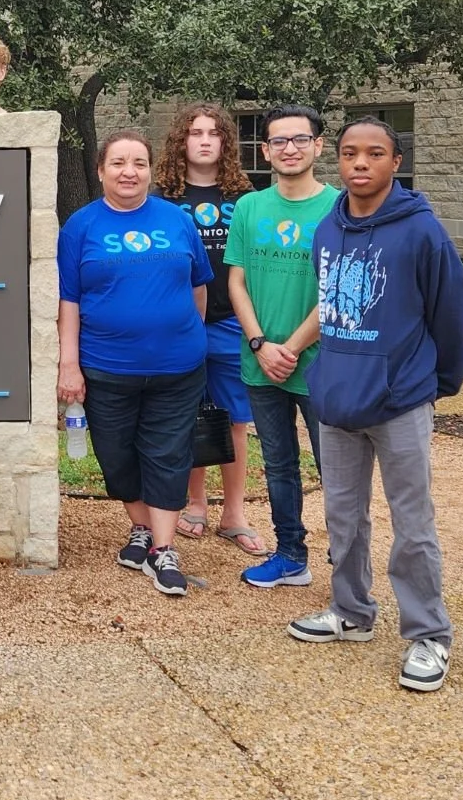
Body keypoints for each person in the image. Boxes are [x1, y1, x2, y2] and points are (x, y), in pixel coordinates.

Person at [287, 116, 463, 694]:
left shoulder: (422, 233)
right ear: (336, 162)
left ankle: (428, 634)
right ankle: (350, 612)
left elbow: (450, 314)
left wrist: (438, 379)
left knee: (411, 522)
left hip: (400, 399)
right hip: (339, 397)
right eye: (348, 154)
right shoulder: (327, 231)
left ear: (396, 162)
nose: (359, 163)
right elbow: (328, 309)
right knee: (343, 515)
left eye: (374, 154)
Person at [56, 130, 211, 597]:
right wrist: (69, 364)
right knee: (116, 455)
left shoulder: (177, 220)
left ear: (150, 169)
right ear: (101, 171)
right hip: (105, 367)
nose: (130, 172)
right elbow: (69, 300)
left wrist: (189, 334)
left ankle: (163, 550)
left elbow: (199, 285)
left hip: (177, 368)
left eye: (139, 163)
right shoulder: (80, 226)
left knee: (167, 453)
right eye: (119, 163)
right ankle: (140, 527)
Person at [226, 104, 339, 590]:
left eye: (298, 139)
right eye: (277, 142)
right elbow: (236, 280)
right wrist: (259, 344)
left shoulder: (338, 207)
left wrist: (288, 347)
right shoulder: (250, 207)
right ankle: (290, 554)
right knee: (278, 465)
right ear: (265, 151)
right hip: (260, 365)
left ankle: (348, 564)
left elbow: (337, 289)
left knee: (335, 466)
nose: (288, 149)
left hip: (321, 365)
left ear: (318, 145)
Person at [155, 104, 265, 556]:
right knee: (187, 417)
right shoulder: (162, 197)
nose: (204, 140)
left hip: (229, 323)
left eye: (213, 133)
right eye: (194, 132)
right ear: (181, 141)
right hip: (179, 324)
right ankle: (195, 503)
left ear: (225, 142)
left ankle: (234, 512)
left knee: (235, 420)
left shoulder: (245, 197)